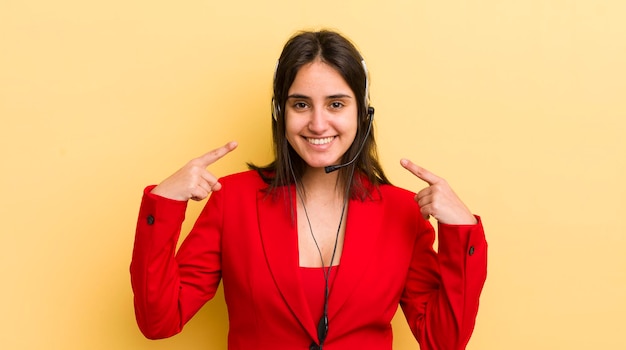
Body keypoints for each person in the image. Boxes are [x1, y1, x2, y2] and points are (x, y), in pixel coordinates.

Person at [130, 29, 487, 350]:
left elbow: (444, 341)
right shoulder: (232, 200)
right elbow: (159, 321)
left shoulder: (402, 211)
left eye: (336, 104)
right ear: (279, 113)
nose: (318, 124)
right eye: (301, 104)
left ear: (362, 114)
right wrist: (163, 204)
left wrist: (460, 230)